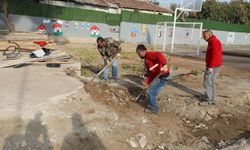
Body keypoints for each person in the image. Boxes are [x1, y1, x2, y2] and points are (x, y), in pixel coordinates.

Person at [136, 44, 170, 113]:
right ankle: (151, 103)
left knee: (150, 92)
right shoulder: (146, 60)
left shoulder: (149, 54)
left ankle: (154, 109)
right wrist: (147, 83)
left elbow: (159, 55)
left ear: (142, 51)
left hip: (163, 76)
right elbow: (150, 73)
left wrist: (164, 65)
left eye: (139, 54)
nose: (139, 55)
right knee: (150, 90)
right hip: (158, 77)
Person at [201, 29, 222, 106]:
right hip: (214, 66)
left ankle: (208, 100)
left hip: (213, 66)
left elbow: (215, 55)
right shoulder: (212, 41)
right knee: (211, 82)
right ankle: (212, 99)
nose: (203, 37)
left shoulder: (214, 42)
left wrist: (211, 67)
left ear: (209, 34)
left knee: (207, 82)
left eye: (204, 36)